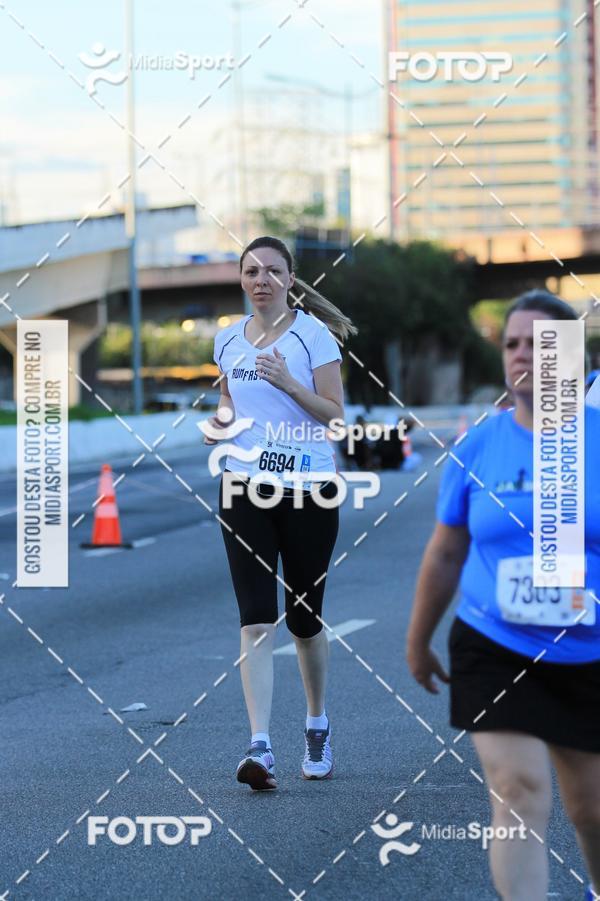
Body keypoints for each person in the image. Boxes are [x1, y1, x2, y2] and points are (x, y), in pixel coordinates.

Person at [407, 290, 600, 901]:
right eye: (511, 343)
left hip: (588, 652)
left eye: (537, 344)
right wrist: (418, 640)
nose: (520, 354)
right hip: (495, 642)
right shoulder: (478, 447)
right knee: (518, 789)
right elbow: (445, 553)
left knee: (592, 811)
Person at [205, 235, 356, 791]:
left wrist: (287, 382)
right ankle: (260, 747)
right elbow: (229, 403)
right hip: (244, 487)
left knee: (303, 618)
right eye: (251, 271)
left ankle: (316, 724)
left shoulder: (313, 337)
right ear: (242, 280)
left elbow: (335, 418)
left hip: (309, 489)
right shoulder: (227, 340)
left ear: (290, 280)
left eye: (272, 270)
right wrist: (220, 425)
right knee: (254, 619)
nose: (261, 279)